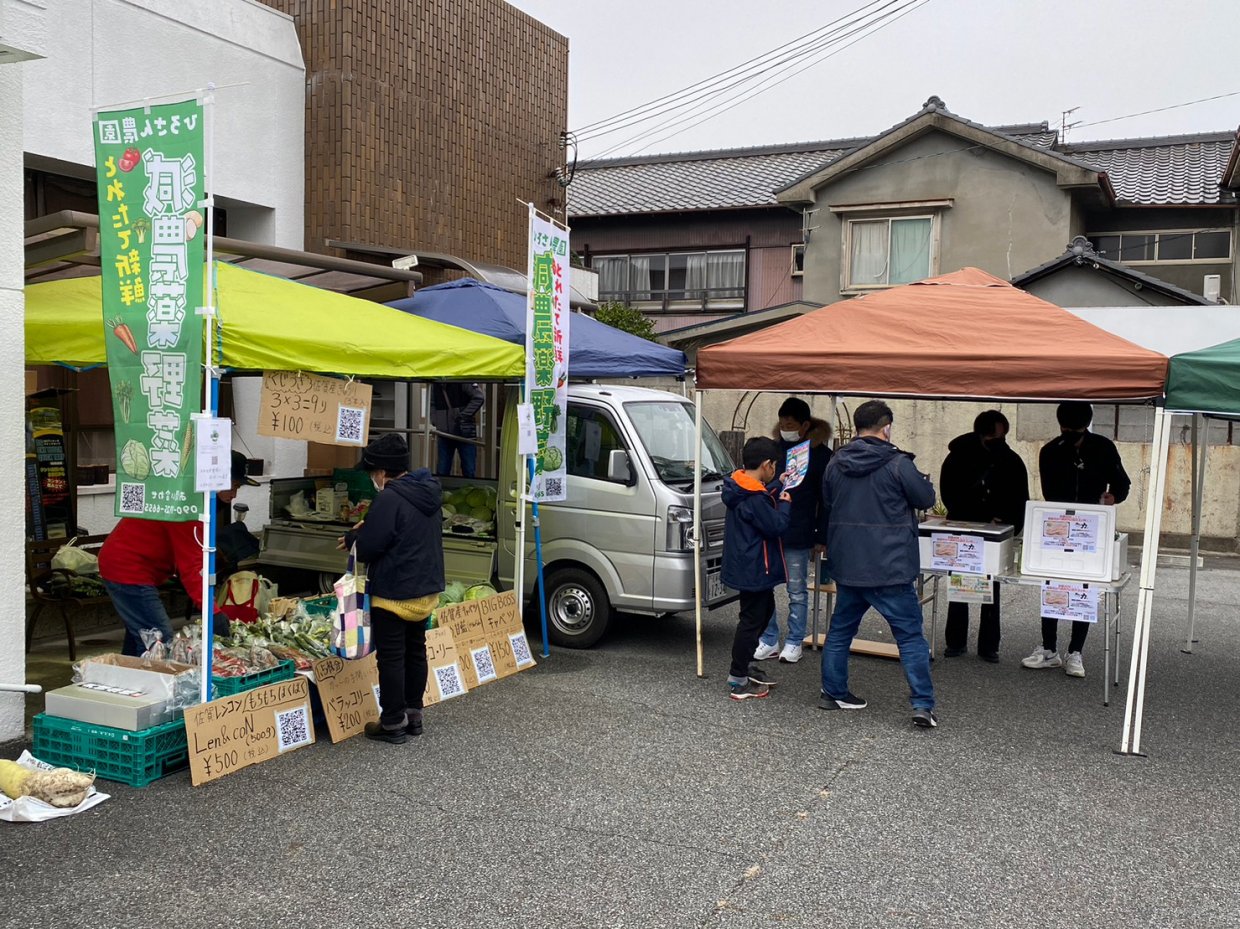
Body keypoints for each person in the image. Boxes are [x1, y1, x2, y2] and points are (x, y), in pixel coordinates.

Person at [819, 400, 939, 728]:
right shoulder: (899, 463)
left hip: (849, 564)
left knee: (840, 630)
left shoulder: (835, 463)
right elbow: (926, 499)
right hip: (891, 566)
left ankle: (833, 692)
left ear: (858, 427)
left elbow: (829, 502)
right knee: (910, 635)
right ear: (886, 428)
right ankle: (922, 705)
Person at [99, 450, 257, 656]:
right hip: (128, 568)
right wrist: (213, 613)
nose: (235, 494)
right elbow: (192, 567)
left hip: (132, 564)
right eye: (234, 485)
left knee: (144, 637)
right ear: (217, 479)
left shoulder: (193, 496)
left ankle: (122, 678)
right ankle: (146, 685)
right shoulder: (188, 506)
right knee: (160, 642)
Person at [343, 433, 445, 744]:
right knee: (416, 652)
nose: (372, 478)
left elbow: (372, 546)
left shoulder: (389, 497)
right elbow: (406, 531)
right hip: (425, 588)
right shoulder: (428, 492)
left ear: (382, 471)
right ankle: (414, 716)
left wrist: (352, 540)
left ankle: (392, 722)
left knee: (391, 657)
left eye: (372, 472)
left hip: (394, 591)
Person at [1023, 401, 1131, 679]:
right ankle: (1049, 649)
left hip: (1092, 530)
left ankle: (1075, 652)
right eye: (1068, 427)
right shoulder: (1050, 451)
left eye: (1076, 427)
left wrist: (1112, 497)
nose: (1071, 431)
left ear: (1086, 424)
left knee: (1084, 588)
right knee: (1053, 585)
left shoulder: (1104, 448)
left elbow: (1122, 483)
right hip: (1057, 530)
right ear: (1060, 425)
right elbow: (1049, 493)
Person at [939, 410, 1029, 662]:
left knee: (993, 587)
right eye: (994, 436)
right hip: (965, 529)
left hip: (996, 534)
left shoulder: (1011, 460)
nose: (998, 441)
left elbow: (1020, 497)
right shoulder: (957, 457)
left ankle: (989, 645)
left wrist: (1009, 524)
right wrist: (981, 515)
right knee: (959, 585)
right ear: (982, 434)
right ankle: (955, 642)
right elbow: (950, 495)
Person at [754, 397, 832, 664]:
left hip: (799, 530)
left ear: (805, 424)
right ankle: (769, 638)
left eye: (790, 422)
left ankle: (795, 640)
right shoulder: (772, 450)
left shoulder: (821, 454)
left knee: (796, 590)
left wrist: (821, 535)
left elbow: (826, 499)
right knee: (764, 587)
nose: (785, 426)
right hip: (769, 529)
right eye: (782, 421)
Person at [720, 437, 791, 701]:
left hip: (749, 565)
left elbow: (761, 498)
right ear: (766, 464)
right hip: (754, 568)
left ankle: (744, 664)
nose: (774, 470)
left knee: (762, 613)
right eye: (773, 466)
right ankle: (738, 677)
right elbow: (775, 526)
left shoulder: (742, 485)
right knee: (751, 620)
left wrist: (777, 484)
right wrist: (785, 503)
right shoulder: (753, 497)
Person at [431, 382, 485, 478]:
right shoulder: (436, 383)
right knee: (443, 470)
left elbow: (479, 397)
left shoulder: (462, 380)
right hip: (447, 432)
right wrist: (435, 420)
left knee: (468, 470)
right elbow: (432, 403)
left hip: (461, 431)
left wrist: (463, 416)